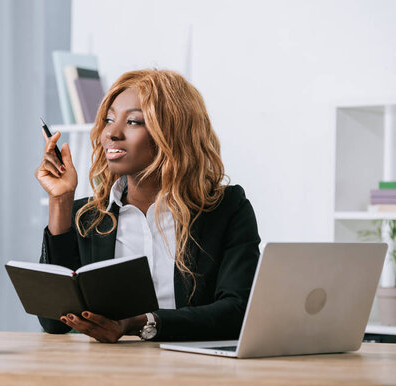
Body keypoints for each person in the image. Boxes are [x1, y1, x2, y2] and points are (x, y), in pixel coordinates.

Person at [35, 69, 260, 343]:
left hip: (195, 368)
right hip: (107, 370)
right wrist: (60, 200)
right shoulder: (87, 216)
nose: (112, 134)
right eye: (109, 119)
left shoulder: (225, 208)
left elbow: (238, 311)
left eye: (133, 122)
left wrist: (144, 322)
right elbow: (53, 322)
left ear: (172, 132)